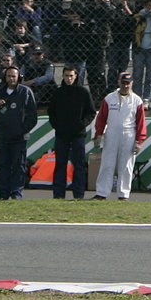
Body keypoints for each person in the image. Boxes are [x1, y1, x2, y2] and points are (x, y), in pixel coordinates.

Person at [92, 70, 147, 200]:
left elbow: (141, 123)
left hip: (129, 134)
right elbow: (101, 118)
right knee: (107, 163)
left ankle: (123, 194)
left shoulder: (137, 101)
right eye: (123, 83)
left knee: (126, 165)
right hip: (111, 133)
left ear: (132, 83)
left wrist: (139, 141)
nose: (126, 85)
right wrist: (98, 134)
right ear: (118, 82)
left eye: (128, 83)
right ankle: (102, 193)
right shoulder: (109, 98)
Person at [46, 64, 96, 199]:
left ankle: (78, 194)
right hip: (61, 134)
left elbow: (91, 112)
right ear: (62, 76)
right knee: (60, 164)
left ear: (76, 76)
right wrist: (57, 126)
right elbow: (51, 112)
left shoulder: (83, 92)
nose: (69, 79)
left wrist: (81, 125)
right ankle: (58, 194)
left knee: (78, 165)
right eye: (66, 76)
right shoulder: (58, 93)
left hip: (78, 135)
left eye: (71, 76)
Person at [0, 64, 38, 200]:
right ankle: (3, 193)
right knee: (3, 165)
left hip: (19, 137)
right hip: (3, 135)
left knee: (18, 165)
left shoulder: (25, 92)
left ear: (18, 77)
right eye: (9, 76)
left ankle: (16, 192)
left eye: (14, 76)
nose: (11, 79)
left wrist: (22, 130)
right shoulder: (0, 92)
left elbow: (32, 115)